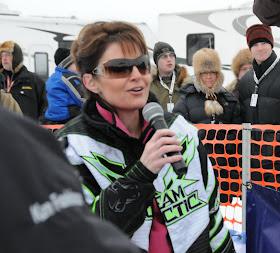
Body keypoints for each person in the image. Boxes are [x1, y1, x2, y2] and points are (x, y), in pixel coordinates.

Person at [56, 21, 234, 252]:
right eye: (119, 68)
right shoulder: (72, 147)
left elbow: (212, 216)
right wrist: (140, 176)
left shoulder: (181, 130)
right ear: (91, 81)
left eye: (141, 65)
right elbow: (80, 237)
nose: (136, 76)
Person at [0, 104, 140, 253]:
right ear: (91, 83)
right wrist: (143, 174)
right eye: (119, 77)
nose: (137, 79)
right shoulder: (72, 139)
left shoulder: (22, 133)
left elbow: (69, 222)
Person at [173, 48, 241, 124]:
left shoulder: (230, 100)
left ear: (218, 74)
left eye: (212, 72)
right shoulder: (186, 100)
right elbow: (179, 130)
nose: (209, 77)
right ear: (198, 75)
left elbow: (238, 131)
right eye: (204, 73)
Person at [238, 24, 280, 124]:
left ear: (271, 45)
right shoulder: (245, 80)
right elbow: (242, 116)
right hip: (252, 139)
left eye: (264, 43)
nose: (260, 48)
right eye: (255, 45)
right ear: (250, 49)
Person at [0, 41, 48, 121]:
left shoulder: (34, 80)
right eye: (2, 56)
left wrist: (38, 125)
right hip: (4, 130)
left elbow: (46, 107)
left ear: (16, 57)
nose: (4, 58)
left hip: (27, 130)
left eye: (8, 55)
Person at [41, 48, 85, 125]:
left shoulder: (54, 77)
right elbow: (81, 97)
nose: (78, 66)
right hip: (67, 114)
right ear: (66, 64)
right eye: (74, 63)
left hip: (54, 114)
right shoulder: (69, 78)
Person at [150, 42, 191, 112]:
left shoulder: (187, 83)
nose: (169, 59)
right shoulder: (149, 85)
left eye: (171, 55)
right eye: (164, 56)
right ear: (157, 61)